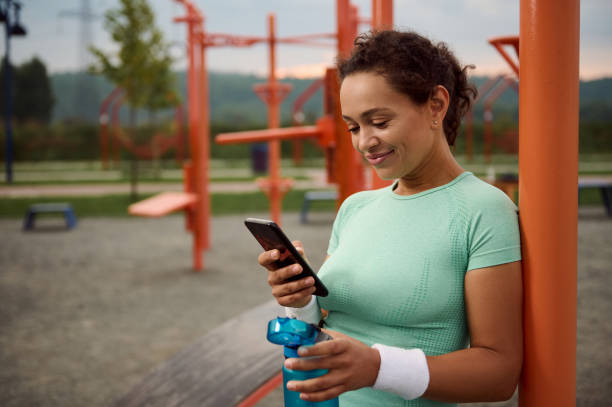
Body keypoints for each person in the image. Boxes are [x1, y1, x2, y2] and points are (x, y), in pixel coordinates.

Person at [258, 30, 522, 407]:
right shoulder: (356, 209)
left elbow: (499, 374)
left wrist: (378, 368)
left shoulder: (483, 210)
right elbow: (327, 323)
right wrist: (298, 301)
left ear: (436, 104)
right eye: (353, 127)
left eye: (379, 122)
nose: (364, 141)